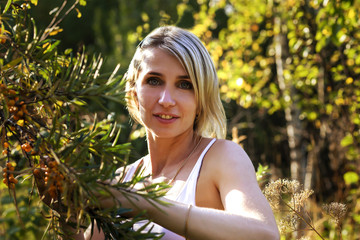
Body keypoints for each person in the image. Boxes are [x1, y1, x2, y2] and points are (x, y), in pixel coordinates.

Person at [65, 26, 279, 240]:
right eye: (154, 81)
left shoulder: (221, 158)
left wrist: (147, 203)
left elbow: (265, 235)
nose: (166, 100)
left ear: (201, 98)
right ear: (133, 92)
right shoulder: (122, 180)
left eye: (184, 85)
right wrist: (68, 214)